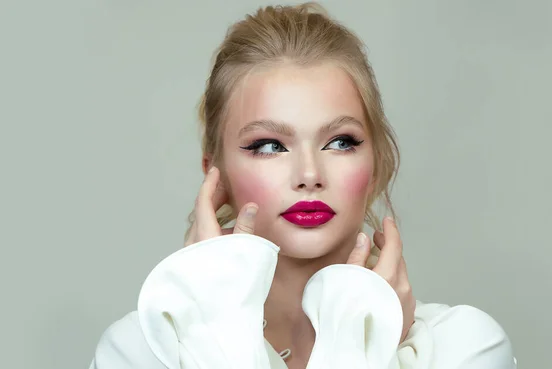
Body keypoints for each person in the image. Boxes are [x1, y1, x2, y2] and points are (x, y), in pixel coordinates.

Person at [89, 3, 517, 368]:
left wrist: (365, 336)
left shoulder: (461, 348)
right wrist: (217, 331)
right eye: (270, 145)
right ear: (214, 176)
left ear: (376, 162)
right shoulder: (139, 351)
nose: (309, 173)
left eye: (340, 142)